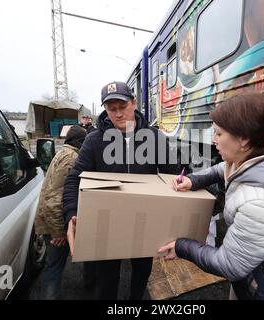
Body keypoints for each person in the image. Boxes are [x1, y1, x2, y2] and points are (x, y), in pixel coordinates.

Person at [158, 93, 264, 300]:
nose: (214, 140)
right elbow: (225, 168)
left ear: (243, 140)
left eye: (219, 134)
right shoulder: (261, 154)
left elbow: (229, 265)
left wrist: (181, 246)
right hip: (254, 274)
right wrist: (194, 180)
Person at [63, 81, 180, 300]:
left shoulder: (155, 138)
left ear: (134, 103)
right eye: (111, 109)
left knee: (141, 277)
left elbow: (171, 177)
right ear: (105, 110)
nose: (118, 114)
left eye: (122, 106)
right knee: (106, 283)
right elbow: (73, 180)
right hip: (107, 224)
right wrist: (71, 213)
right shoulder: (94, 141)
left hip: (144, 223)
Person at [34, 125, 87, 299]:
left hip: (49, 221)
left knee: (53, 265)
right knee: (54, 267)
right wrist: (59, 231)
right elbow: (55, 198)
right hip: (54, 225)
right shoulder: (71, 159)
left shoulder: (62, 152)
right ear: (80, 142)